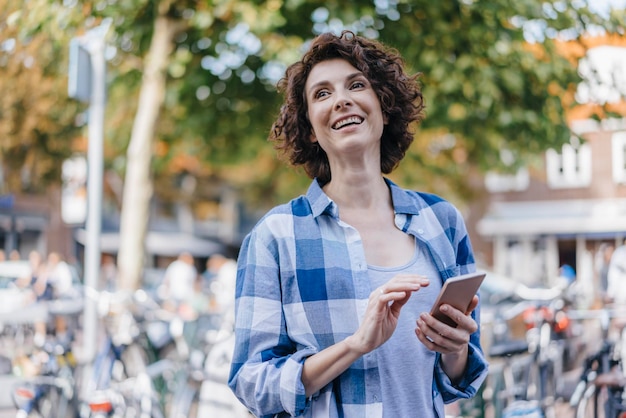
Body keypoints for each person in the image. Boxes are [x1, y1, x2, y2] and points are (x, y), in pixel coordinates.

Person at [228, 31, 488, 418]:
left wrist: (455, 349)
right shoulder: (276, 236)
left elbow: (460, 379)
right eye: (322, 93)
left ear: (384, 109)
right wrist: (356, 344)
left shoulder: (442, 221)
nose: (341, 99)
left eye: (356, 84)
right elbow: (252, 384)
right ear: (311, 130)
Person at [607, 239, 626, 306]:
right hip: (620, 295)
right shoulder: (620, 253)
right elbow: (614, 276)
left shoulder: (619, 253)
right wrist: (611, 293)